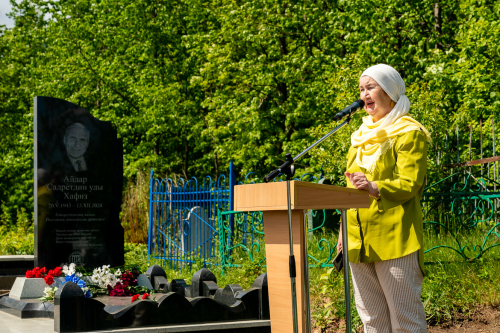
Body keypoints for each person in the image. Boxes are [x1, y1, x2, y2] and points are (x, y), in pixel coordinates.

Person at [337, 64, 431, 333]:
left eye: (370, 87)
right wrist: (343, 230)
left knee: (405, 320)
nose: (364, 94)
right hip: (358, 239)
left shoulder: (409, 132)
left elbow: (410, 182)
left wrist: (374, 186)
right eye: (361, 89)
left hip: (395, 237)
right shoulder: (359, 138)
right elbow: (350, 188)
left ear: (390, 92)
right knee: (371, 321)